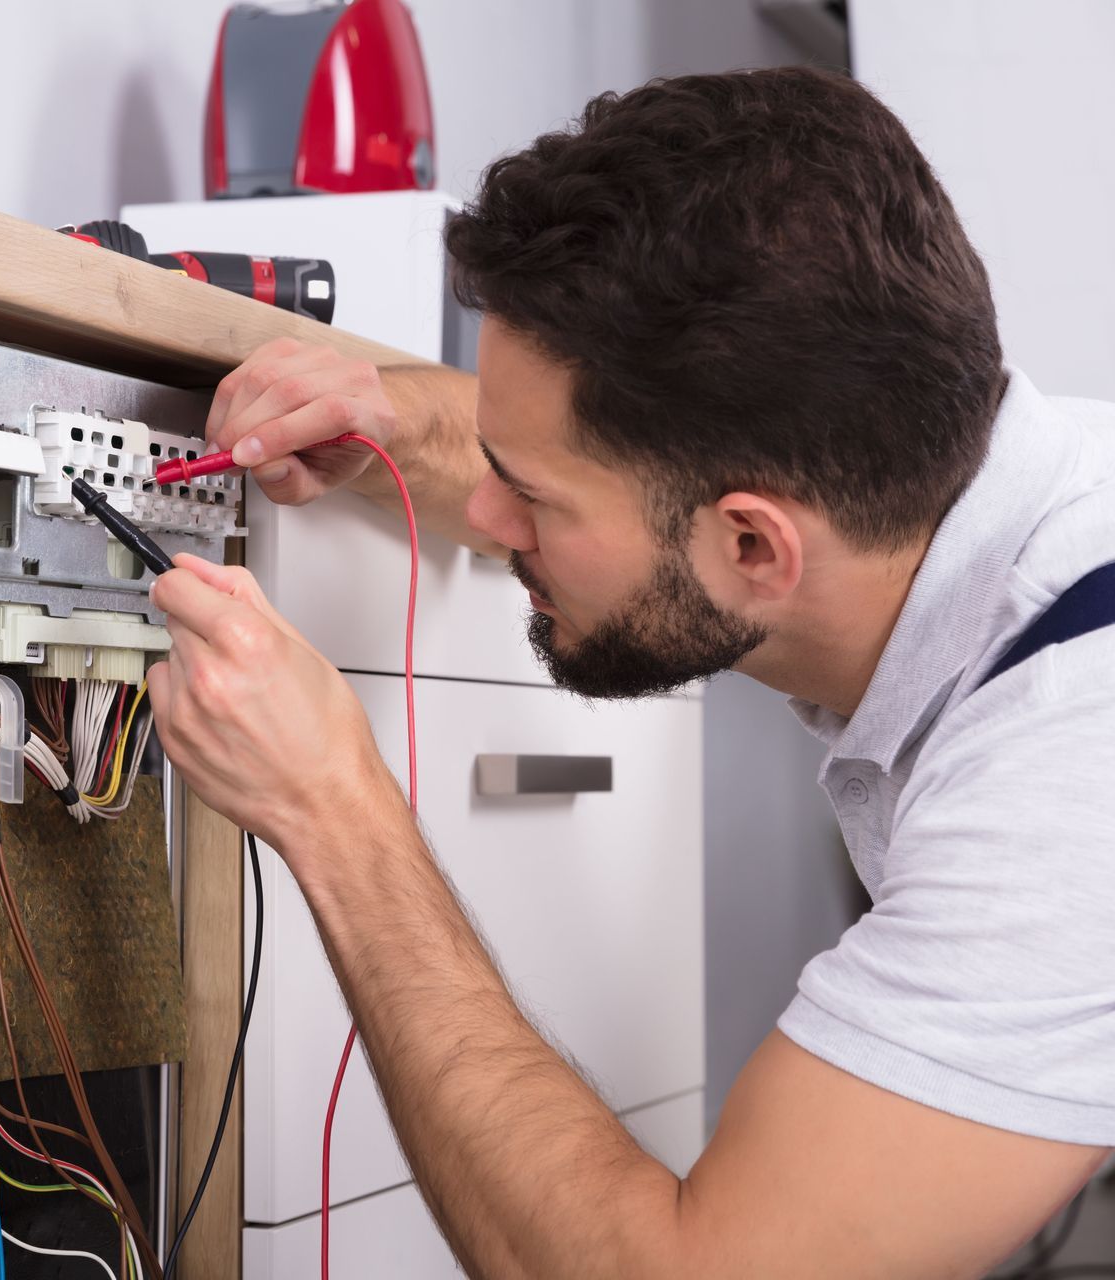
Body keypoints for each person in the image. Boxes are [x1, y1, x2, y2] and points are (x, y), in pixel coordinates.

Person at [146, 67, 1115, 1277]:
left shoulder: (1070, 777)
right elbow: (623, 470)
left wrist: (334, 809)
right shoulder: (996, 487)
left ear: (756, 544)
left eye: (530, 493)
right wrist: (402, 419)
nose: (491, 517)